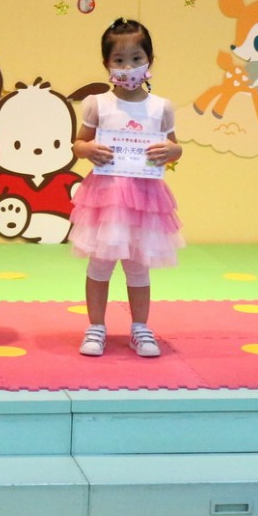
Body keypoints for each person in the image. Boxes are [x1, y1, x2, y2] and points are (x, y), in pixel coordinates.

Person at [69, 18, 185, 358]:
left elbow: (175, 146)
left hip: (145, 199)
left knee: (138, 265)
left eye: (136, 58)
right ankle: (96, 327)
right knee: (100, 264)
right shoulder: (97, 104)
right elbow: (78, 144)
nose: (128, 67)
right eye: (119, 60)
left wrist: (170, 151)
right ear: (107, 63)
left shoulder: (160, 107)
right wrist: (88, 149)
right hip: (106, 198)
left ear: (149, 60)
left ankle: (140, 328)